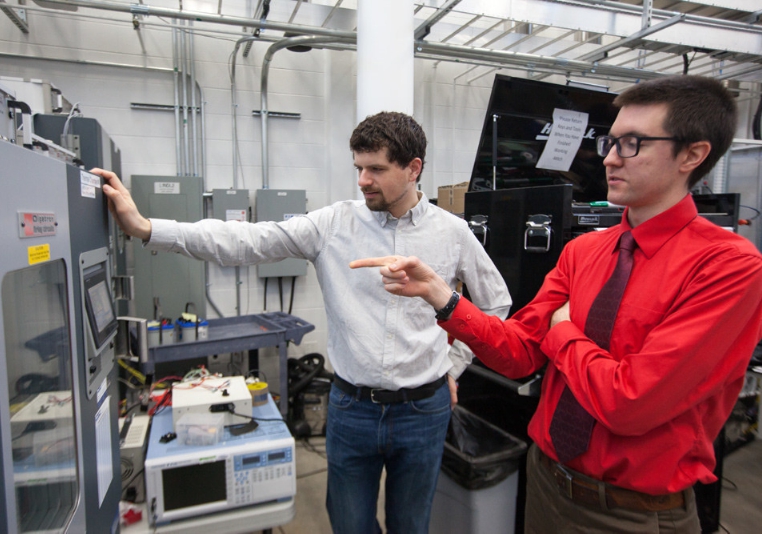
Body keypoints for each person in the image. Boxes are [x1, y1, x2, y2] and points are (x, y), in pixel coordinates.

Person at [351, 76, 762, 533]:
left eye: (631, 144)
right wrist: (443, 299)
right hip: (546, 485)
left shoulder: (728, 268)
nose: (608, 157)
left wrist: (564, 333)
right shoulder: (584, 252)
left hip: (633, 514)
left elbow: (631, 403)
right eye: (610, 141)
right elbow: (519, 354)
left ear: (693, 154)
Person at [92, 111, 511, 533]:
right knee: (349, 524)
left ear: (413, 168)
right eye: (359, 168)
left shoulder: (453, 233)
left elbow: (496, 303)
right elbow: (245, 241)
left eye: (376, 169)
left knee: (411, 525)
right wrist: (147, 229)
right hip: (352, 408)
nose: (363, 180)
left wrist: (454, 366)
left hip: (425, 408)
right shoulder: (332, 224)